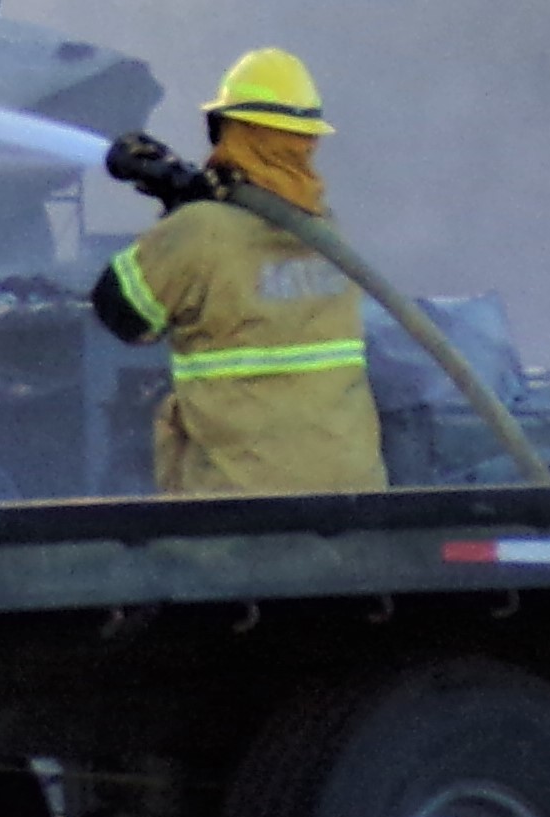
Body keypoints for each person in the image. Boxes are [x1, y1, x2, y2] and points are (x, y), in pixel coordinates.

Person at [88, 48, 385, 496]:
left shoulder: (199, 232)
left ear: (228, 130)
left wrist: (177, 212)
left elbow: (119, 311)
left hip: (239, 505)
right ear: (307, 141)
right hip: (350, 496)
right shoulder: (326, 232)